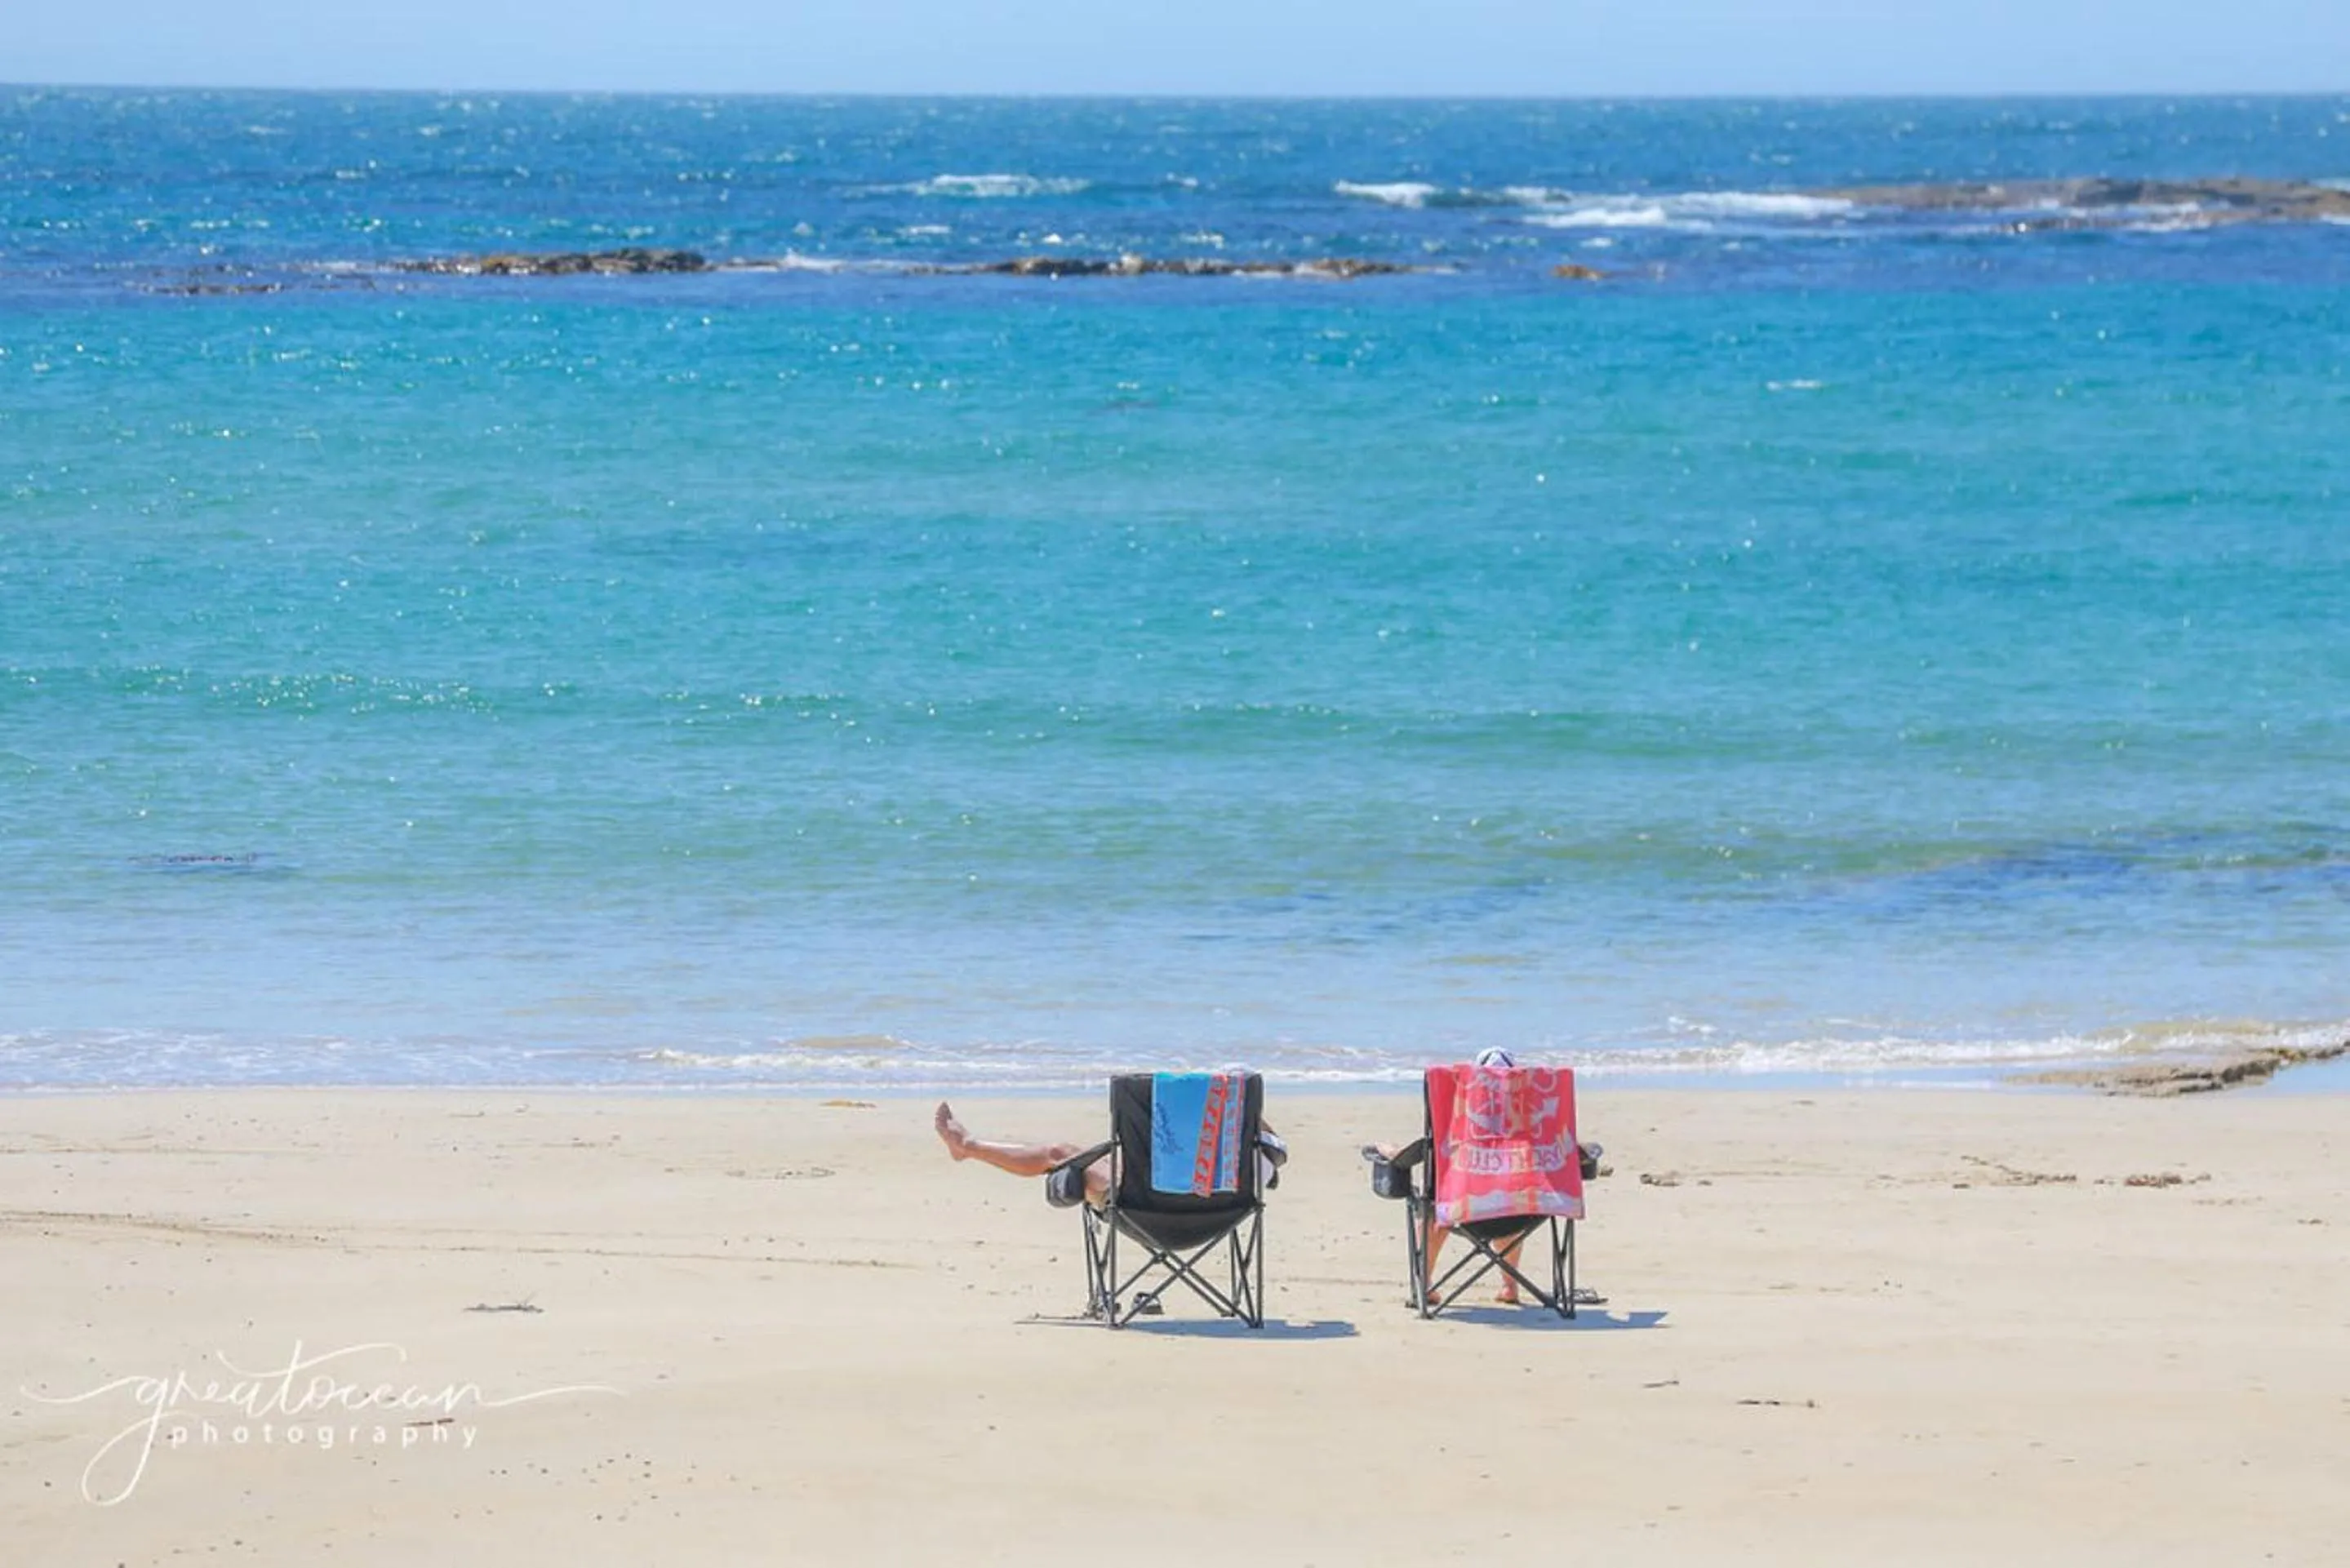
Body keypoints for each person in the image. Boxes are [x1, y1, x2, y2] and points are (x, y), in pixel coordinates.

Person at [1366, 1047, 1603, 1307]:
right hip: (1522, 1216)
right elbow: (1580, 1153)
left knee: (1434, 1206)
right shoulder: (1537, 1131)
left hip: (1462, 1212)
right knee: (1510, 1196)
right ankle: (1510, 1285)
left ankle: (1424, 1286)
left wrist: (1387, 1151)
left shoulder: (1455, 1125)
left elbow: (1408, 1155)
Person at [935, 1097, 1285, 1208]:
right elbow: (1276, 1152)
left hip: (1144, 1209)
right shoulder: (1261, 1164)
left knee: (1059, 1153)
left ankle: (968, 1147)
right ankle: (967, 1147)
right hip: (1226, 1213)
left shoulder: (1174, 1157)